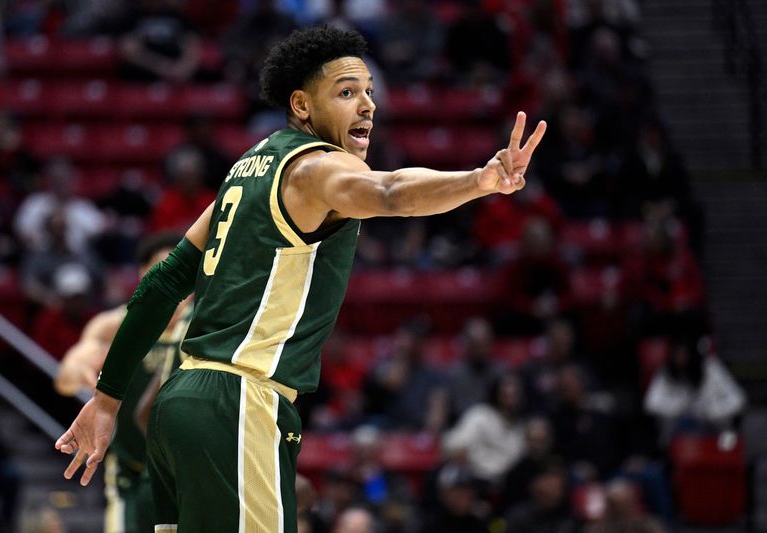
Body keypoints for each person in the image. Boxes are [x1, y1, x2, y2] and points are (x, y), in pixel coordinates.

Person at [55, 25, 546, 532]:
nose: (367, 105)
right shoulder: (317, 169)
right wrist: (478, 181)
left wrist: (108, 398)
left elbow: (162, 282)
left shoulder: (245, 170)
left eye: (369, 92)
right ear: (302, 104)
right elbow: (393, 191)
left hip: (181, 404)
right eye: (347, 92)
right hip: (238, 401)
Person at [54, 232, 192, 533]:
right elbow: (70, 369)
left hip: (183, 476)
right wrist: (78, 369)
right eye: (166, 267)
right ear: (145, 273)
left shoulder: (200, 324)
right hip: (130, 471)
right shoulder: (115, 324)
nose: (178, 280)